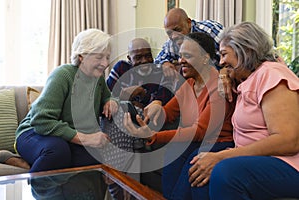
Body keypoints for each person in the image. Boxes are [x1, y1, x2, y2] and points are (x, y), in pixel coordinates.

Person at [187, 22, 299, 200]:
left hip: (289, 164)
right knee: (200, 166)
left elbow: (289, 140)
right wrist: (225, 73)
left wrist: (223, 156)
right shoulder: (248, 78)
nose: (221, 62)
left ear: (245, 51)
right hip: (261, 159)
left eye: (224, 54)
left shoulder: (272, 74)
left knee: (225, 173)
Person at [124, 32, 235, 199]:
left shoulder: (218, 86)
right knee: (172, 155)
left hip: (217, 142)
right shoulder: (190, 83)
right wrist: (155, 111)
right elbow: (169, 112)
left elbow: (199, 131)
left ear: (205, 58)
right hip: (196, 142)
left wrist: (153, 136)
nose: (181, 61)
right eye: (180, 55)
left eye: (187, 56)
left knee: (192, 167)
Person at [15, 28, 118, 199]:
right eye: (99, 57)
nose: (105, 63)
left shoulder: (98, 79)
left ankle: (31, 163)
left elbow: (110, 96)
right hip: (33, 132)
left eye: (107, 57)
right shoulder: (63, 75)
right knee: (58, 151)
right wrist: (85, 138)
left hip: (62, 137)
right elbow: (41, 121)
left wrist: (112, 101)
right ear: (81, 57)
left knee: (92, 159)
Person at [105, 38, 175, 196]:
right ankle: (122, 185)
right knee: (117, 114)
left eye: (147, 55)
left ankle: (120, 183)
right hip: (122, 121)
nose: (144, 61)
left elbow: (164, 98)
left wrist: (142, 94)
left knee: (126, 118)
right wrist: (120, 97)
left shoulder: (159, 71)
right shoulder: (121, 68)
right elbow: (106, 97)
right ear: (129, 59)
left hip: (148, 121)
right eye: (138, 57)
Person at [155, 8, 224, 80]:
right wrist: (165, 63)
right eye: (169, 33)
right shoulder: (172, 42)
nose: (174, 36)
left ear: (188, 23)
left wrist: (224, 73)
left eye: (178, 30)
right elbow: (158, 60)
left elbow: (234, 52)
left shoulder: (210, 30)